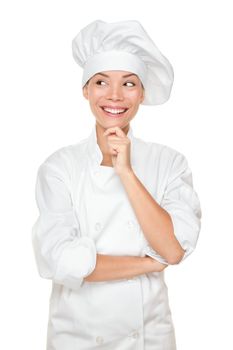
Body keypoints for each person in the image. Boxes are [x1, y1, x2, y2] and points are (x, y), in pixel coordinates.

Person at [31, 19, 202, 350]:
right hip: (77, 338)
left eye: (128, 83)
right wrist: (146, 264)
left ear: (142, 93)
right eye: (100, 82)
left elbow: (173, 249)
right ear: (85, 90)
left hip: (149, 339)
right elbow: (60, 260)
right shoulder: (59, 168)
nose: (114, 96)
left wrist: (126, 172)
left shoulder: (169, 163)